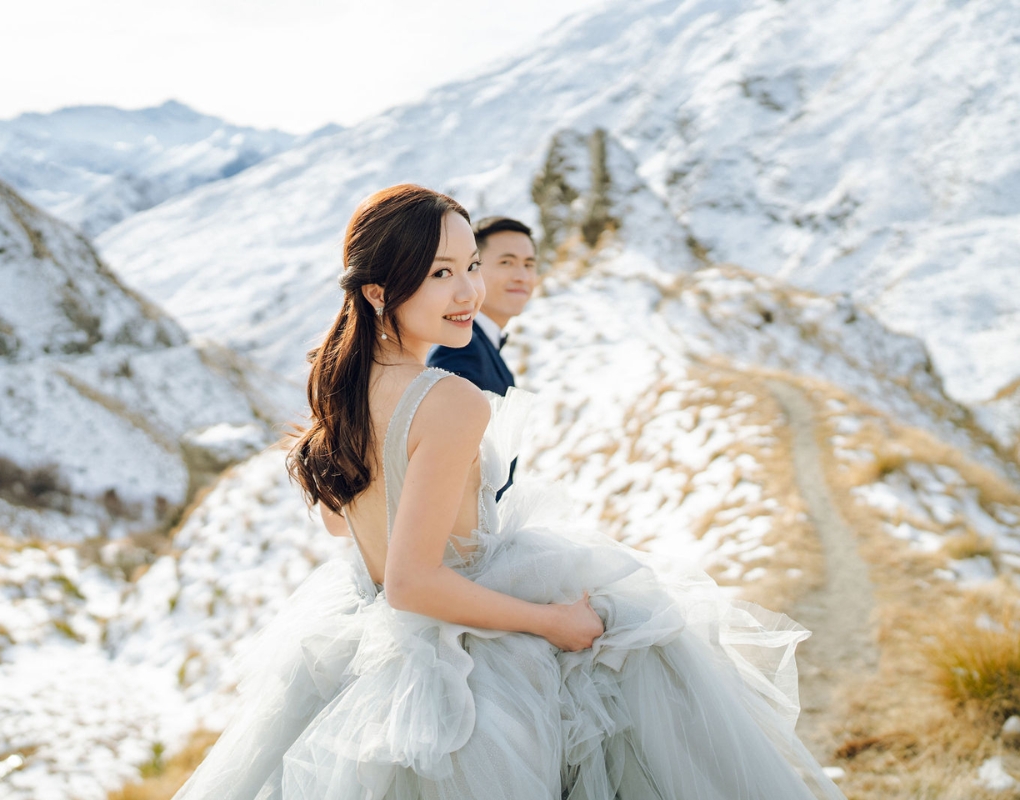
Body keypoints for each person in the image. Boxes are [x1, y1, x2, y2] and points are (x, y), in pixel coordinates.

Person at [171, 185, 845, 800]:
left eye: (470, 266)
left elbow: (343, 528)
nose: (467, 291)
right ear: (379, 292)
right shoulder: (449, 401)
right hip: (458, 660)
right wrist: (554, 622)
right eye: (440, 274)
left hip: (365, 646)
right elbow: (413, 584)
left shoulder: (340, 386)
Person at [426, 216, 537, 397]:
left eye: (528, 264)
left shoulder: (481, 343)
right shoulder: (459, 349)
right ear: (471, 268)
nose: (522, 277)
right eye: (506, 262)